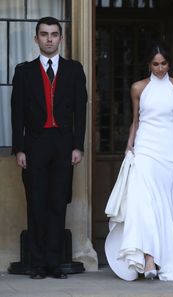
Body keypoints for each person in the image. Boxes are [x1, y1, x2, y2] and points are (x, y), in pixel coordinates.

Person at [105, 41, 173, 281]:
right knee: (143, 202)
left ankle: (161, 258)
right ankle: (149, 258)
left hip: (169, 151)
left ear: (169, 63)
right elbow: (136, 120)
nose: (160, 68)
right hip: (144, 148)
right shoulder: (138, 88)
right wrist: (129, 145)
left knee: (163, 202)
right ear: (148, 64)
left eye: (164, 63)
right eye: (155, 64)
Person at [11, 16, 87, 279]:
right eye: (44, 34)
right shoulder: (23, 71)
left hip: (64, 145)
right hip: (34, 144)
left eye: (54, 34)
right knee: (36, 204)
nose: (49, 38)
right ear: (36, 39)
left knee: (58, 203)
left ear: (61, 38)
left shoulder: (75, 70)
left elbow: (81, 111)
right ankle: (37, 264)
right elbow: (16, 113)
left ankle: (55, 264)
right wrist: (19, 149)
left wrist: (79, 146)